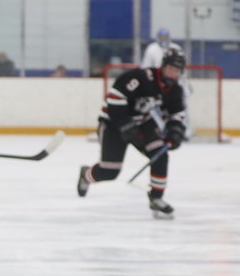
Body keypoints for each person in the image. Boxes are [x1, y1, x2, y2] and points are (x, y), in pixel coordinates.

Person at [76, 48, 187, 220]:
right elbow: (114, 99)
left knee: (160, 153)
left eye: (177, 71)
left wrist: (175, 131)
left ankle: (156, 198)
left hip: (142, 122)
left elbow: (176, 113)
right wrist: (125, 125)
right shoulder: (140, 77)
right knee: (110, 172)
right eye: (171, 68)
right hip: (113, 123)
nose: (173, 74)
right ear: (163, 66)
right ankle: (86, 175)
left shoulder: (174, 89)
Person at [141, 27, 193, 138]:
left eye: (166, 37)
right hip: (157, 83)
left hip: (175, 84)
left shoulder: (176, 48)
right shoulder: (152, 49)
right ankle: (160, 130)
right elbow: (145, 67)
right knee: (154, 107)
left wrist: (185, 84)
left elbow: (181, 69)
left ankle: (185, 131)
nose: (164, 39)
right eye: (162, 37)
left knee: (181, 106)